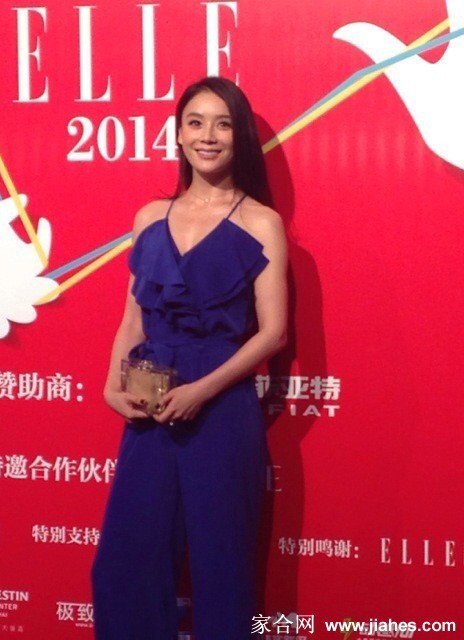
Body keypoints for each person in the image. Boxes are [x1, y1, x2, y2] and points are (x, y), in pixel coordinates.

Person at [91, 75, 288, 640]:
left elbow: (273, 333)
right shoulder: (150, 217)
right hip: (150, 407)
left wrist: (203, 390)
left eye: (223, 124)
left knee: (222, 564)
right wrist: (111, 385)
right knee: (127, 562)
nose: (208, 136)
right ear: (177, 134)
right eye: (195, 123)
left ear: (239, 136)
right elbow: (133, 318)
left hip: (221, 409)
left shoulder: (260, 222)